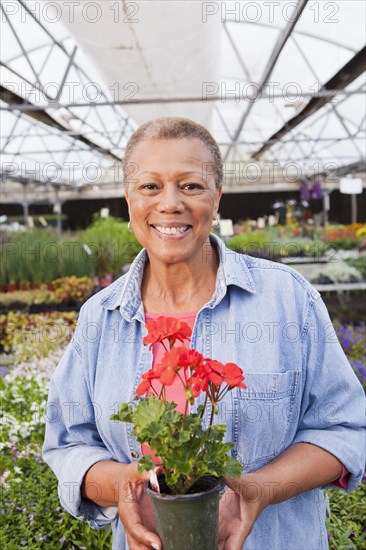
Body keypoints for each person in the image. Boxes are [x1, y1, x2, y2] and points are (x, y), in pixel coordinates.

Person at [43, 117, 365, 550]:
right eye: (150, 187)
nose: (170, 203)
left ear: (217, 198)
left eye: (191, 186)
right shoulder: (100, 318)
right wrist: (121, 485)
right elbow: (68, 444)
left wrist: (263, 488)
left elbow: (345, 427)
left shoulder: (288, 300)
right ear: (129, 199)